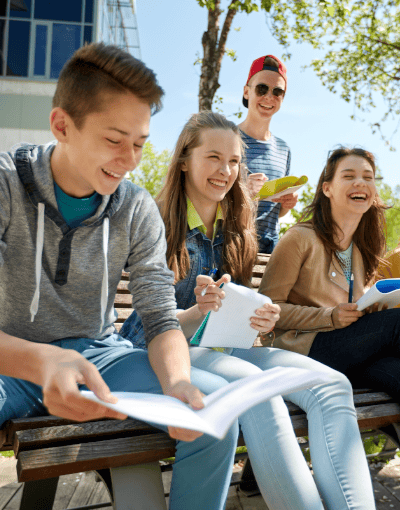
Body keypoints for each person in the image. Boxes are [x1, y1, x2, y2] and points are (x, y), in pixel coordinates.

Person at [0, 43, 242, 510]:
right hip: (12, 359)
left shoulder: (135, 207)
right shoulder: (8, 184)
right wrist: (42, 362)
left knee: (211, 413)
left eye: (140, 144)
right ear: (62, 125)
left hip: (100, 357)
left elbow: (159, 316)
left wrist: (175, 382)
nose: (130, 160)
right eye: (115, 140)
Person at [121, 113, 376, 510]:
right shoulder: (153, 222)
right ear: (184, 160)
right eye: (214, 158)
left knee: (332, 386)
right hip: (160, 352)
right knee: (259, 395)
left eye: (235, 161)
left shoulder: (237, 228)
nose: (226, 171)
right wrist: (197, 313)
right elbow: (148, 327)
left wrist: (260, 317)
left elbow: (232, 312)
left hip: (220, 349)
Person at [258, 147, 400, 405]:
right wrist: (330, 316)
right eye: (348, 176)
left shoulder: (362, 248)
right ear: (327, 188)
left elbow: (354, 312)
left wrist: (370, 310)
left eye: (368, 177)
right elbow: (267, 308)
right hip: (301, 350)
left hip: (349, 354)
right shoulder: (300, 238)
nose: (360, 182)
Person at [238, 54, 298, 254]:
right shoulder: (226, 139)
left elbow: (274, 213)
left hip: (268, 252)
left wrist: (286, 205)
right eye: (262, 88)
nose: (269, 97)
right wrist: (243, 191)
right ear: (247, 92)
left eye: (277, 91)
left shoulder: (284, 149)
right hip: (229, 246)